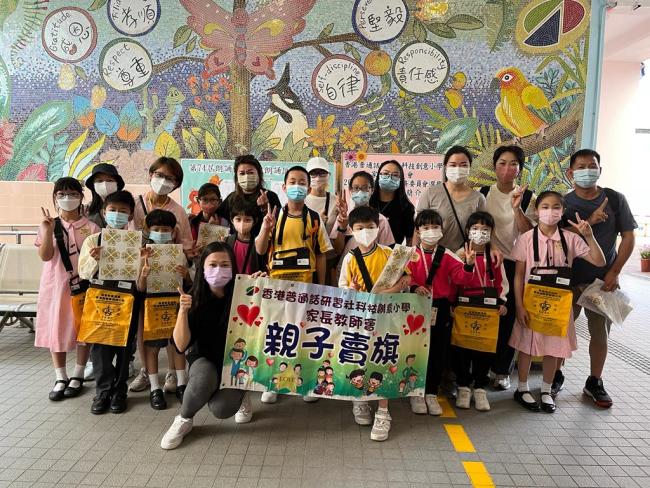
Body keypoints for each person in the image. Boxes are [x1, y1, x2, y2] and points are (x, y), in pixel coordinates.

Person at [554, 149, 637, 407]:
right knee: (560, 333)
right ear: (570, 173)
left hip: (601, 283)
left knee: (600, 335)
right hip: (567, 281)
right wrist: (588, 222)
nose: (587, 171)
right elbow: (554, 238)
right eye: (581, 167)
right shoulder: (563, 203)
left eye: (592, 166)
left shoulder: (614, 199)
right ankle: (554, 376)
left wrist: (615, 271)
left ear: (600, 170)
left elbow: (628, 237)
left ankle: (594, 381)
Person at [510, 191, 605, 413]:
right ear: (536, 211)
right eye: (545, 207)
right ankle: (522, 388)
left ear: (562, 212)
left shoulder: (570, 239)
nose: (550, 211)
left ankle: (546, 390)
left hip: (558, 306)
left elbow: (599, 261)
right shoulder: (526, 239)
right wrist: (519, 306)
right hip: (531, 303)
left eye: (555, 207)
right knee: (526, 345)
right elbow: (518, 275)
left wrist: (589, 236)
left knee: (553, 348)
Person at [160, 242, 255, 450]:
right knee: (203, 379)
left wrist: (262, 289)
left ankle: (243, 392)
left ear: (233, 267)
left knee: (221, 409)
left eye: (225, 265)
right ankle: (183, 419)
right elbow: (180, 345)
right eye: (212, 265)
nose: (218, 270)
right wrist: (182, 312)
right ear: (202, 267)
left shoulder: (245, 293)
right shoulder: (192, 298)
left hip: (236, 361)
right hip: (204, 358)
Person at [255, 165, 333, 404]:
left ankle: (305, 382)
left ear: (308, 189)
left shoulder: (314, 219)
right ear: (284, 186)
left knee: (304, 334)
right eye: (292, 182)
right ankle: (274, 382)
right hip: (277, 289)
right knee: (277, 334)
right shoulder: (273, 216)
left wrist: (321, 287)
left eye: (301, 182)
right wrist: (265, 228)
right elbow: (260, 249)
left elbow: (321, 254)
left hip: (305, 288)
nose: (297, 186)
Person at [338, 206, 411, 441]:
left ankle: (383, 412)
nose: (366, 232)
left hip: (387, 320)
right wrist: (351, 290)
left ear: (378, 228)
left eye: (370, 227)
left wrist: (393, 289)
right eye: (360, 228)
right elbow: (343, 290)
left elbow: (407, 279)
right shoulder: (350, 258)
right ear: (351, 230)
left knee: (383, 360)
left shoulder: (391, 254)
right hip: (360, 321)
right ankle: (359, 400)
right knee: (359, 358)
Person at [130, 157, 193, 395]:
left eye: (170, 178)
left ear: (176, 184)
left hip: (169, 277)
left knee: (169, 324)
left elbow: (185, 243)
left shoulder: (178, 211)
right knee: (144, 326)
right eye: (160, 175)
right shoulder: (135, 205)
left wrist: (184, 259)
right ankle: (145, 372)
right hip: (141, 274)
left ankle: (172, 373)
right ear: (150, 174)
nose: (164, 181)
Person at [35, 177, 99, 401]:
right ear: (55, 197)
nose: (67, 198)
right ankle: (60, 376)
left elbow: (95, 262)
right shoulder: (49, 224)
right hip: (54, 286)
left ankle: (78, 374)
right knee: (56, 327)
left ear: (81, 197)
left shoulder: (92, 227)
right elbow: (45, 256)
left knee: (83, 328)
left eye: (72, 194)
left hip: (82, 286)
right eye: (61, 194)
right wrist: (48, 230)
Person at [78, 190, 142, 414]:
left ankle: (119, 390)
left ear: (130, 215)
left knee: (125, 346)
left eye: (123, 211)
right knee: (100, 348)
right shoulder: (93, 240)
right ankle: (103, 391)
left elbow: (141, 275)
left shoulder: (137, 242)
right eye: (113, 210)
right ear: (104, 213)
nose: (117, 214)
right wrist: (95, 260)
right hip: (100, 300)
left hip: (127, 300)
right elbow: (84, 273)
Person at [406, 209, 475, 415]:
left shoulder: (448, 255)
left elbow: (462, 278)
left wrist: (469, 265)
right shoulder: (408, 254)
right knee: (414, 351)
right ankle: (415, 392)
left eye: (435, 227)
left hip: (440, 308)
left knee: (437, 352)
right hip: (414, 307)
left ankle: (431, 392)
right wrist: (413, 287)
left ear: (442, 230)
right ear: (417, 231)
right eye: (425, 227)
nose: (431, 231)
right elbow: (401, 277)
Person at [479, 146, 536, 390]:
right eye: (502, 163)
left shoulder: (529, 196)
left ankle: (502, 370)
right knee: (486, 314)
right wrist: (490, 248)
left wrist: (517, 208)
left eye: (513, 164)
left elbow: (529, 232)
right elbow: (477, 227)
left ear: (520, 169)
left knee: (510, 317)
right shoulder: (483, 194)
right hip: (487, 263)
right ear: (494, 166)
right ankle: (482, 368)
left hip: (515, 265)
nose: (507, 168)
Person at [453, 212, 509, 412]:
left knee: (484, 348)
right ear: (467, 230)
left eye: (485, 229)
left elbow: (502, 281)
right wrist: (453, 305)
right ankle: (463, 386)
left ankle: (479, 388)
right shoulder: (460, 254)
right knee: (462, 349)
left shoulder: (494, 255)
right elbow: (454, 280)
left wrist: (502, 302)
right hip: (464, 308)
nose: (480, 232)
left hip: (488, 309)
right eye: (475, 228)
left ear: (492, 233)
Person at [137, 210, 191, 410]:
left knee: (177, 345)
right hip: (152, 304)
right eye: (156, 229)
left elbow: (189, 283)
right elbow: (140, 287)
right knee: (152, 348)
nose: (160, 233)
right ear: (148, 230)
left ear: (173, 231)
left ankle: (182, 384)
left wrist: (186, 275)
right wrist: (144, 274)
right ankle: (154, 388)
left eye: (165, 229)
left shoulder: (179, 253)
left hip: (174, 302)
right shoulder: (143, 254)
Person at [415, 146, 486, 251]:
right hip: (434, 256)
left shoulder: (478, 198)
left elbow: (483, 230)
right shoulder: (430, 193)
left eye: (463, 165)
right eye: (453, 165)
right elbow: (418, 227)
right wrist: (414, 254)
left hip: (463, 256)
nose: (458, 169)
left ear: (470, 167)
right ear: (445, 167)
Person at [330, 171, 395, 280]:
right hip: (347, 274)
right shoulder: (343, 217)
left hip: (373, 274)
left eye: (365, 188)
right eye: (356, 188)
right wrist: (342, 228)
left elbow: (386, 253)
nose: (360, 192)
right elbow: (337, 251)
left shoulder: (380, 220)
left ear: (372, 190)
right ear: (350, 191)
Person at [217, 154, 281, 234]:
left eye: (250, 172)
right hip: (237, 241)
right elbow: (218, 217)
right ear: (236, 177)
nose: (246, 176)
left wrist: (265, 208)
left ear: (259, 174)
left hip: (263, 241)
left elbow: (279, 225)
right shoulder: (232, 198)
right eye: (242, 173)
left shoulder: (270, 196)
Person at [369, 160, 415, 245]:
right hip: (367, 251)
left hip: (393, 252)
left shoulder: (406, 207)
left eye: (395, 175)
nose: (390, 178)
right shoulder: (368, 202)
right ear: (379, 176)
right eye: (385, 173)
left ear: (400, 179)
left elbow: (410, 239)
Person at [226, 196, 263, 275]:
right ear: (232, 220)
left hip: (252, 281)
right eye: (238, 219)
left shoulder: (259, 243)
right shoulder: (227, 241)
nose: (242, 223)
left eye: (247, 220)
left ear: (254, 221)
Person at [85, 163, 125, 229]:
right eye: (99, 181)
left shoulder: (127, 207)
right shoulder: (86, 210)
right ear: (93, 185)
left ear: (117, 184)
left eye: (110, 180)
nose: (105, 184)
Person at [305, 156, 337, 234]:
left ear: (328, 175)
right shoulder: (301, 200)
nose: (318, 178)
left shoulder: (336, 201)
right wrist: (318, 222)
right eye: (313, 174)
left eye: (322, 173)